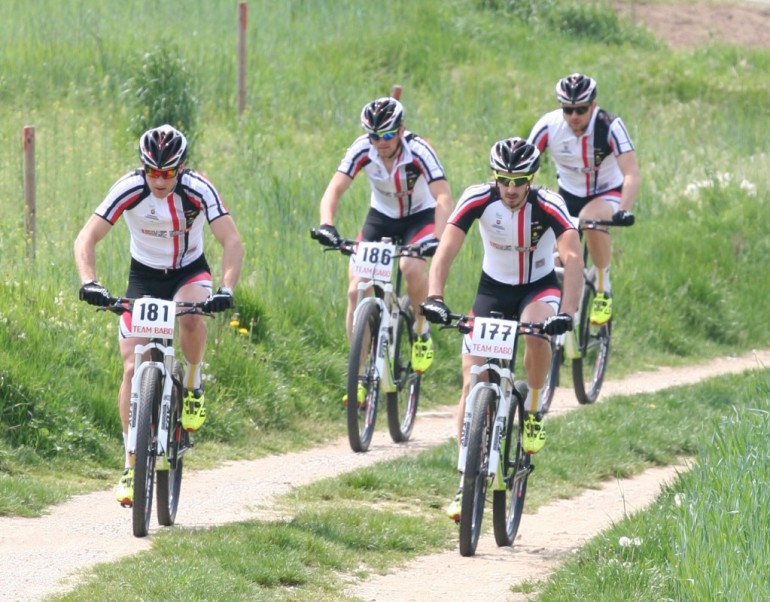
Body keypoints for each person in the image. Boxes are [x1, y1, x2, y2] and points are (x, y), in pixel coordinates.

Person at [74, 124, 244, 507]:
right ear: (143, 168)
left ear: (182, 168)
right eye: (153, 172)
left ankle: (195, 383)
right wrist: (90, 282)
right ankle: (131, 465)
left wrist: (227, 289)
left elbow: (231, 240)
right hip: (144, 278)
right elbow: (86, 237)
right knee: (133, 367)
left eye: (168, 173)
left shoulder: (199, 189)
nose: (160, 180)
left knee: (190, 318)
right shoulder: (129, 189)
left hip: (189, 272)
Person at [421, 137, 583, 520]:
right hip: (492, 291)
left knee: (535, 330)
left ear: (532, 178)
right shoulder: (478, 198)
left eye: (519, 181)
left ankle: (533, 407)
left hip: (537, 288)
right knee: (472, 379)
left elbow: (573, 256)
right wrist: (434, 297)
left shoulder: (549, 204)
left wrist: (569, 312)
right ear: (494, 176)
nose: (511, 189)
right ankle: (465, 482)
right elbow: (447, 248)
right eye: (504, 180)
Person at [313, 96, 454, 385]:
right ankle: (360, 374)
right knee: (356, 290)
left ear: (401, 129)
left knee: (411, 268)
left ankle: (420, 329)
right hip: (381, 216)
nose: (381, 142)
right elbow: (334, 190)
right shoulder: (362, 149)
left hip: (420, 216)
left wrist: (437, 239)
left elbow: (443, 196)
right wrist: (327, 224)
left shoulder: (419, 150)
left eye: (388, 134)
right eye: (375, 136)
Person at [527, 73, 638, 325]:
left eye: (581, 109)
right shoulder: (548, 125)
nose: (574, 116)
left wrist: (624, 209)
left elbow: (631, 172)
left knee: (590, 220)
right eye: (568, 110)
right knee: (557, 261)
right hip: (569, 195)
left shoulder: (610, 125)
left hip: (608, 192)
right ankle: (560, 312)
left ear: (593, 106)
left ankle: (602, 288)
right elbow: (525, 166)